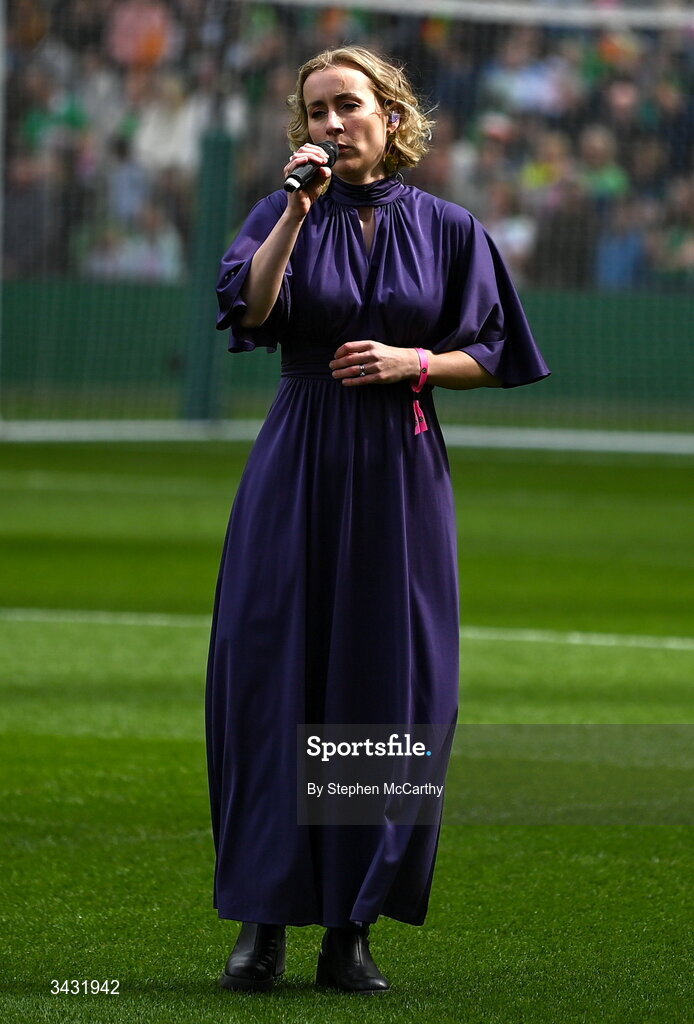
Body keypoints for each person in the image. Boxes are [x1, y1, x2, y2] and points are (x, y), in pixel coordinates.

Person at [205, 45, 550, 995]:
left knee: (387, 684)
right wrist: (295, 212)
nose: (331, 123)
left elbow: (494, 348)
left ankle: (350, 929)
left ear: (389, 118)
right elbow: (254, 308)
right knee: (272, 672)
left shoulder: (448, 227)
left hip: (399, 461)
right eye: (316, 110)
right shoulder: (282, 210)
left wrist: (416, 364)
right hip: (298, 454)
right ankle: (262, 920)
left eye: (349, 106)